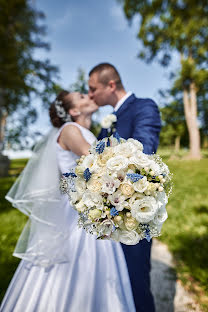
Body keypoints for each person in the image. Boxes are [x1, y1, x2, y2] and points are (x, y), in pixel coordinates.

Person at [0, 90, 136, 312]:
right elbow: (95, 162)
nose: (89, 97)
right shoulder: (70, 129)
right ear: (74, 111)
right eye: (82, 97)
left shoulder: (83, 130)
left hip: (91, 207)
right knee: (78, 265)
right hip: (76, 212)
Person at [88, 63, 161, 312]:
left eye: (92, 89)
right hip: (106, 217)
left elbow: (144, 151)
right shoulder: (104, 125)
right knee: (111, 285)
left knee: (135, 283)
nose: (90, 95)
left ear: (110, 85)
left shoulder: (144, 107)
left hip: (134, 216)